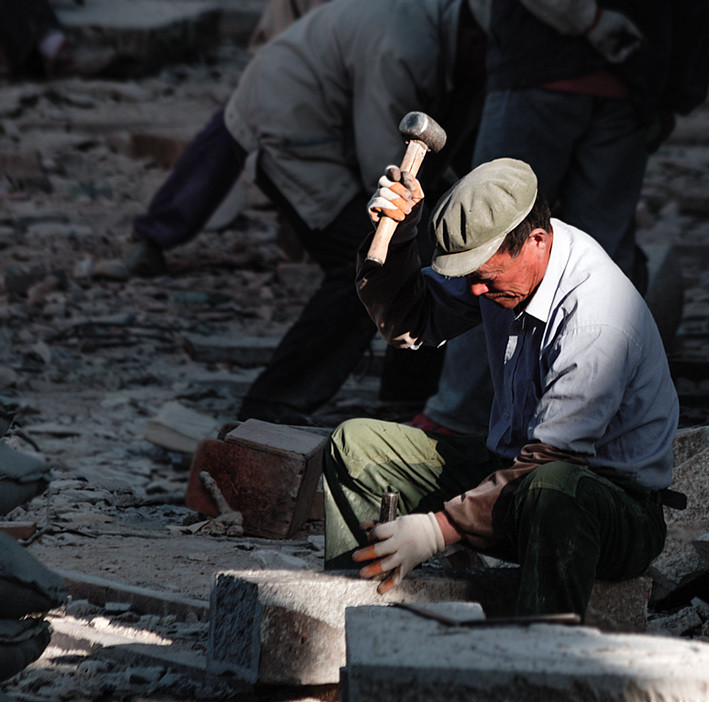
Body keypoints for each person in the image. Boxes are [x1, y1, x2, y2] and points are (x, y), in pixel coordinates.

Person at [323, 158, 681, 617]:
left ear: (536, 240)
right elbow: (410, 322)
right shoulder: (500, 271)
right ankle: (349, 619)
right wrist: (397, 239)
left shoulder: (597, 317)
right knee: (355, 448)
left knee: (554, 490)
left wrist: (436, 530)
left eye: (485, 279)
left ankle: (535, 662)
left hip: (608, 510)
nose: (475, 292)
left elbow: (550, 462)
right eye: (469, 278)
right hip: (513, 474)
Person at [126, 0, 487, 424]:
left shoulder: (453, 43)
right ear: (474, 35)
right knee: (366, 264)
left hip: (324, 115)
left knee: (416, 252)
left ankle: (408, 395)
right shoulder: (402, 46)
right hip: (290, 118)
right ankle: (272, 408)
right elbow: (381, 163)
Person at [413, 0, 709, 436]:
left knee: (485, 240)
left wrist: (589, 21)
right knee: (601, 258)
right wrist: (675, 88)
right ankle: (595, 418)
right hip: (629, 77)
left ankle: (460, 418)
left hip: (539, 67)